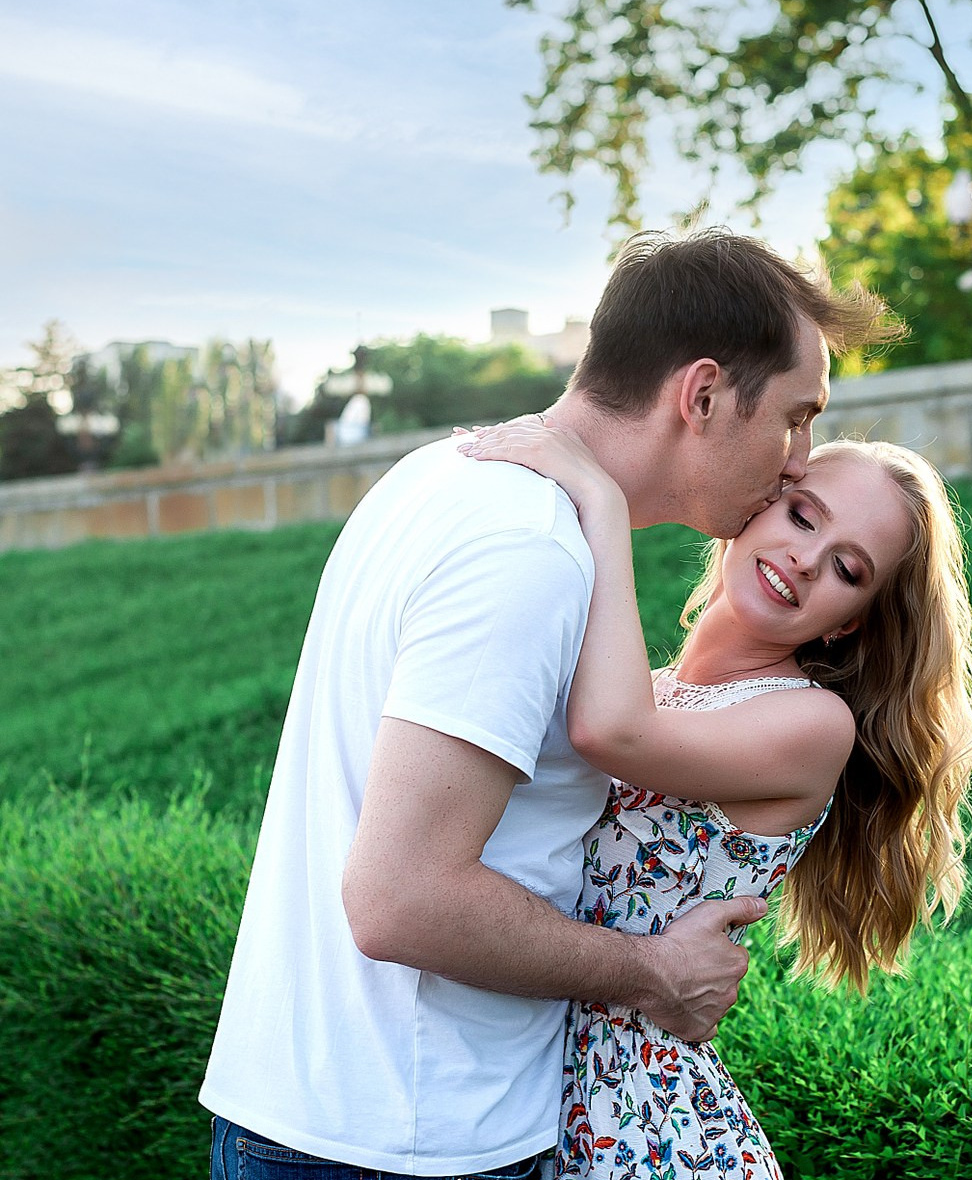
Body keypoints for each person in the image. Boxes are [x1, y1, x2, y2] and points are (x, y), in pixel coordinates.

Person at [201, 228, 893, 1179]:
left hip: (323, 1106)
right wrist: (654, 970)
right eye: (796, 416)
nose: (797, 460)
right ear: (700, 396)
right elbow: (402, 898)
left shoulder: (438, 476)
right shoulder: (532, 548)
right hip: (408, 1137)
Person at [460, 424, 972, 1179]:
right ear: (755, 511)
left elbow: (609, 732)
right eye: (802, 515)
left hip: (646, 1133)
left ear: (849, 622)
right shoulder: (665, 690)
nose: (805, 559)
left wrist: (602, 504)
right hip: (536, 1103)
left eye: (847, 568)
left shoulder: (810, 723)